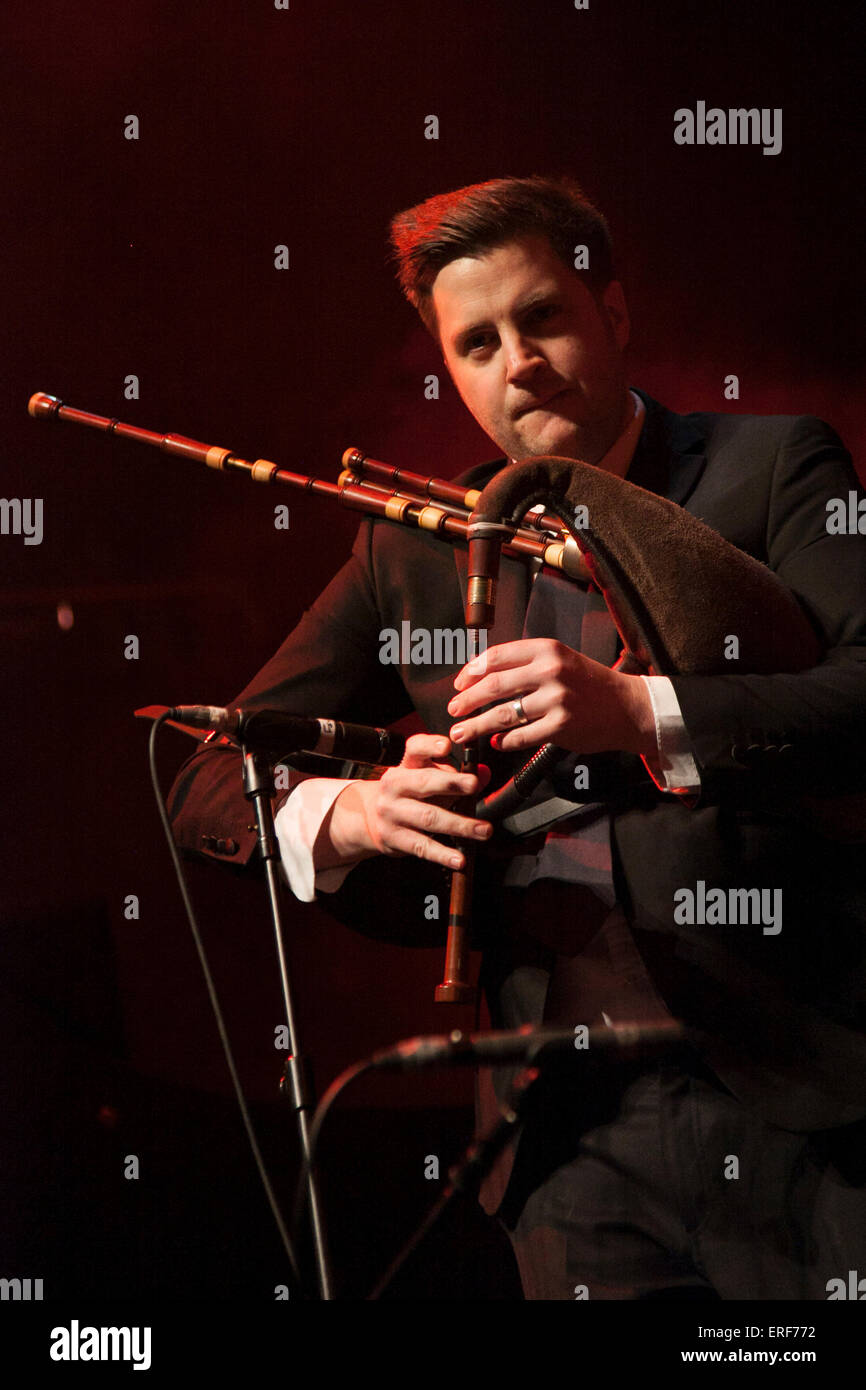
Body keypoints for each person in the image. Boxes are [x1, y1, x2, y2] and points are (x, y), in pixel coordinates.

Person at [169, 176, 866, 1300]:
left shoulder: (771, 465)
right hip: (563, 1137)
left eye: (542, 316)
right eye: (476, 341)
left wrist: (638, 711)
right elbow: (208, 771)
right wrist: (344, 811)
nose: (517, 362)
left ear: (615, 315)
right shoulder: (409, 548)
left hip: (803, 1102)